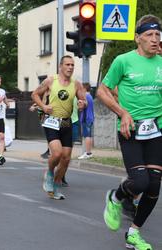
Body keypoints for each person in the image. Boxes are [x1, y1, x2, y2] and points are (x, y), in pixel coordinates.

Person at [97, 14, 162, 250]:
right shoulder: (123, 61)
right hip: (130, 129)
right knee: (141, 181)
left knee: (154, 186)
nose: (155, 39)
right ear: (138, 38)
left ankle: (134, 233)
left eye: (158, 34)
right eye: (149, 35)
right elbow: (102, 91)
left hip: (156, 130)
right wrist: (122, 112)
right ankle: (116, 197)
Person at [31, 55, 86, 200]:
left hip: (66, 123)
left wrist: (82, 104)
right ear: (60, 66)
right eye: (67, 65)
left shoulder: (76, 84)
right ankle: (49, 172)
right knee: (56, 153)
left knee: (66, 158)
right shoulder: (51, 80)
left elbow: (83, 100)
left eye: (72, 65)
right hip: (51, 121)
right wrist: (43, 106)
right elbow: (35, 94)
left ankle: (55, 186)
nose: (70, 67)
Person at [78, 83, 94, 159]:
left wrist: (79, 104)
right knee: (89, 136)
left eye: (81, 88)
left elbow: (81, 106)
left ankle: (88, 153)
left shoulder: (86, 96)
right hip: (90, 118)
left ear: (84, 89)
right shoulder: (90, 96)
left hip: (86, 118)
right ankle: (88, 152)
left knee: (86, 136)